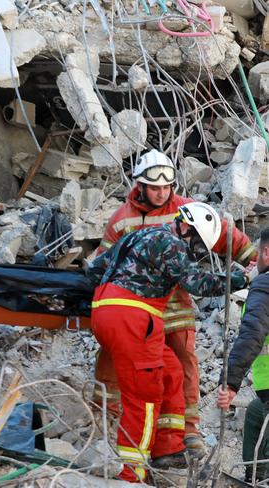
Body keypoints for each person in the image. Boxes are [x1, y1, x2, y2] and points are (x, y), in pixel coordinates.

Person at [93, 149, 257, 457]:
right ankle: (107, 415)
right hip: (132, 308)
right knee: (116, 360)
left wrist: (256, 265)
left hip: (171, 305)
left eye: (167, 187)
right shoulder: (121, 220)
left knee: (180, 363)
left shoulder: (186, 210)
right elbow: (103, 262)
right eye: (154, 188)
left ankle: (186, 432)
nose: (161, 193)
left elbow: (225, 235)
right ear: (139, 185)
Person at [218, 227, 269, 482]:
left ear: (267, 252)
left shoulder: (266, 286)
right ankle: (255, 478)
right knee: (256, 413)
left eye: (258, 254)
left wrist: (230, 383)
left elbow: (251, 335)